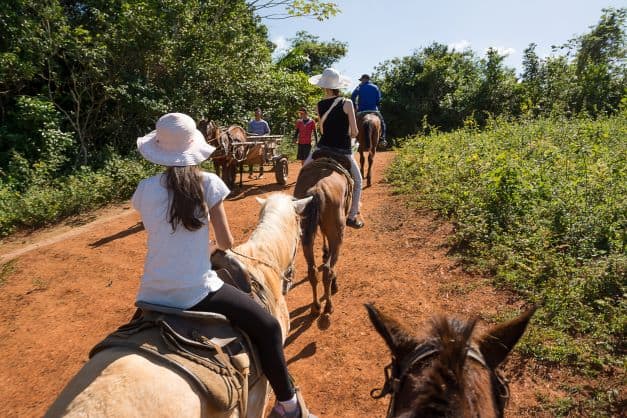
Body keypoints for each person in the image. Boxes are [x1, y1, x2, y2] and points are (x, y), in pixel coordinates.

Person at [132, 113, 316, 418]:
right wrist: (206, 250)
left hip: (150, 294)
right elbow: (227, 244)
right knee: (269, 328)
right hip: (197, 292)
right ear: (194, 147)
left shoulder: (144, 189)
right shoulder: (210, 184)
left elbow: (161, 232)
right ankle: (289, 405)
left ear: (159, 151)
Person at [305, 68, 364, 229]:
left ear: (324, 86)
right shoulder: (347, 103)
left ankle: (299, 209)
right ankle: (352, 216)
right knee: (358, 182)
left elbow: (322, 131)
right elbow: (355, 131)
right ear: (337, 85)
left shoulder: (319, 105)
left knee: (304, 170)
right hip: (342, 150)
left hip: (322, 148)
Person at [350, 74, 387, 147]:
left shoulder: (359, 87)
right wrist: (376, 105)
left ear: (365, 79)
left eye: (362, 80)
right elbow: (378, 99)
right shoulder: (375, 87)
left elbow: (353, 96)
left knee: (352, 123)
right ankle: (383, 139)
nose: (361, 81)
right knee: (382, 123)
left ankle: (353, 138)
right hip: (374, 110)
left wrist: (355, 105)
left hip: (361, 110)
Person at [247, 107, 270, 178]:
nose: (257, 114)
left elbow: (268, 131)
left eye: (258, 112)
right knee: (249, 153)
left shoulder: (264, 123)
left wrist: (263, 136)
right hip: (253, 141)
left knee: (262, 153)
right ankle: (250, 173)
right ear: (254, 114)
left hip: (262, 140)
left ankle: (261, 173)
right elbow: (249, 133)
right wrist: (254, 135)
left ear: (261, 113)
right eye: (256, 113)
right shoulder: (251, 123)